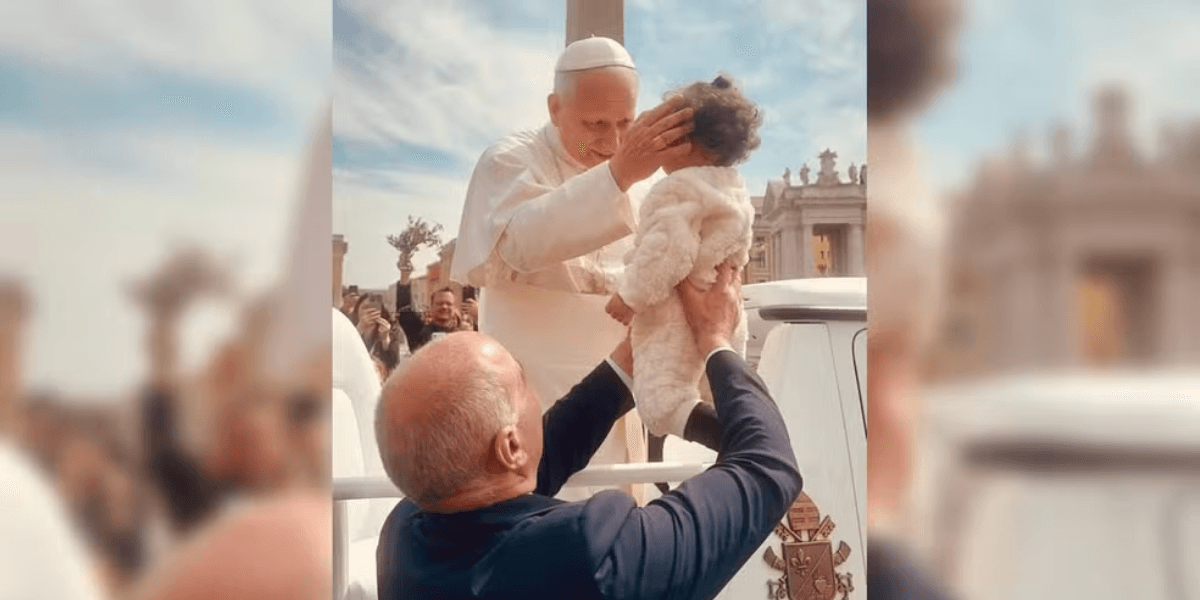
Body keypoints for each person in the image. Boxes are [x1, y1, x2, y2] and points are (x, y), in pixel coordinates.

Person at [374, 263, 802, 599]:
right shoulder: (594, 557)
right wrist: (716, 339)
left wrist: (633, 357)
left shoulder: (403, 535)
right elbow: (768, 467)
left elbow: (534, 458)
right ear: (509, 446)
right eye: (523, 385)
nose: (536, 398)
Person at [450, 36, 697, 501]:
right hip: (534, 408)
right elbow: (522, 243)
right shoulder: (509, 160)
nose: (613, 142)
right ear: (553, 107)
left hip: (621, 415)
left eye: (626, 123)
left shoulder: (640, 186)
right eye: (596, 123)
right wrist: (619, 175)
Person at [604, 74, 763, 455]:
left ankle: (735, 443)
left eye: (666, 134)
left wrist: (630, 296)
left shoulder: (677, 190)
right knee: (720, 384)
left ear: (685, 143)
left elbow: (669, 249)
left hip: (676, 313)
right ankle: (741, 430)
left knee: (660, 403)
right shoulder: (734, 189)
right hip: (726, 309)